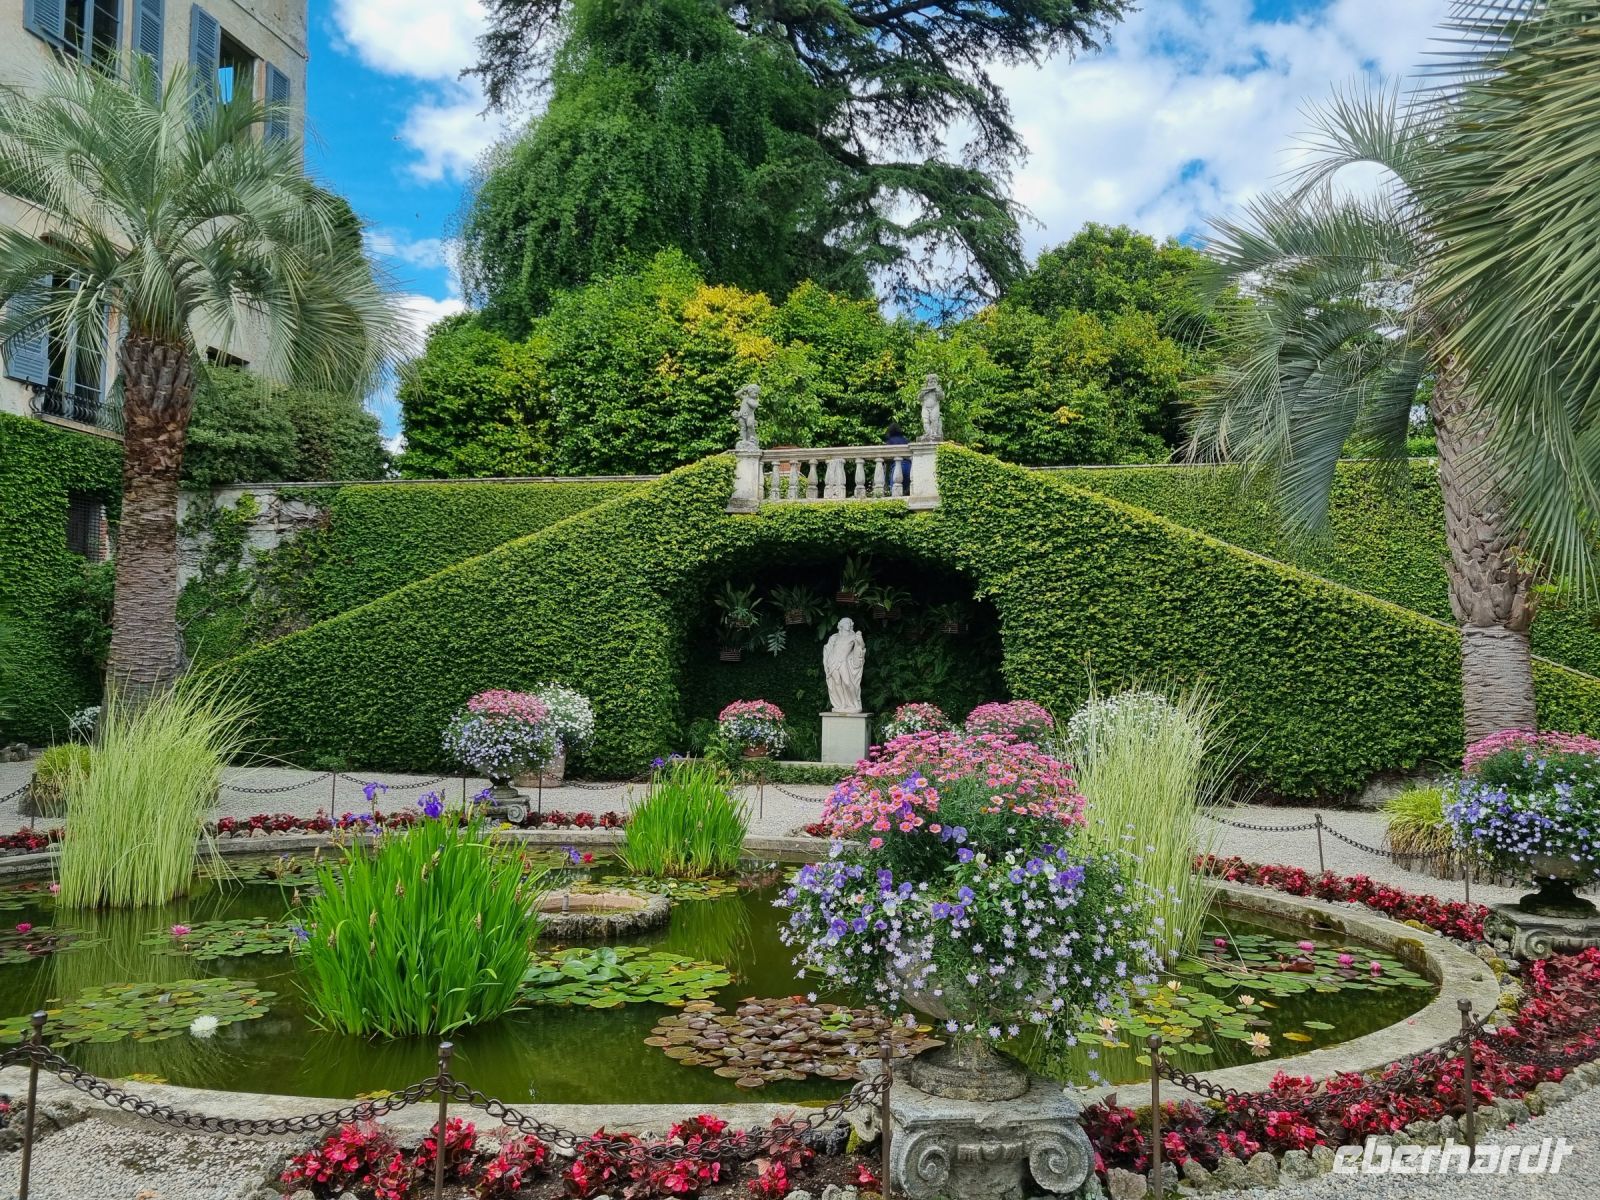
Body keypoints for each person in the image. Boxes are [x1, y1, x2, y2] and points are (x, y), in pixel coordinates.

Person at [884, 421, 911, 494]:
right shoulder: (906, 440)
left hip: (897, 468)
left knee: (895, 492)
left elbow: (886, 459)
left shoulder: (890, 441)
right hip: (909, 467)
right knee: (907, 493)